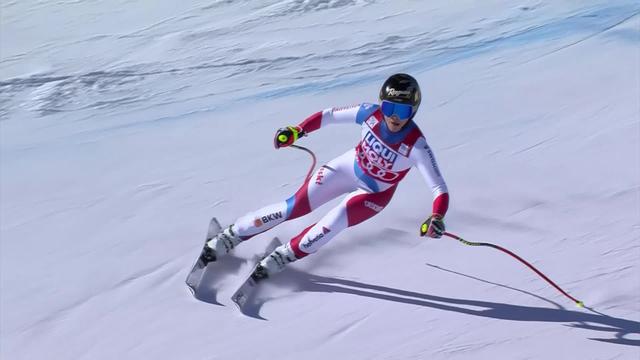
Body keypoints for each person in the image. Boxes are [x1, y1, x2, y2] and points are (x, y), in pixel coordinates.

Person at [198, 73, 450, 281]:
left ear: (413, 111)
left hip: (374, 194)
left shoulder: (416, 146)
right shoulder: (369, 113)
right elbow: (328, 115)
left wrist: (436, 217)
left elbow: (439, 188)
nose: (394, 117)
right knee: (293, 207)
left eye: (402, 111)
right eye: (389, 107)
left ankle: (282, 257)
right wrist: (298, 130)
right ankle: (229, 236)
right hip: (347, 168)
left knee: (333, 222)